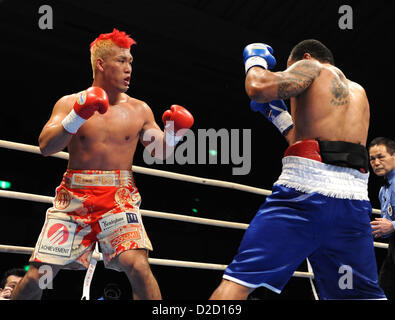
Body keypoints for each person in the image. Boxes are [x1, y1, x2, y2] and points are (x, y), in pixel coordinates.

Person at [11, 28, 194, 300]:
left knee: (138, 266)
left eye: (131, 61)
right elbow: (46, 147)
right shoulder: (70, 103)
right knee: (40, 275)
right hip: (75, 197)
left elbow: (161, 153)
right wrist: (77, 115)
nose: (129, 68)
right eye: (121, 61)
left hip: (119, 198)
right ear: (101, 64)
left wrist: (175, 133)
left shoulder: (140, 109)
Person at [210, 39, 385, 299]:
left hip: (303, 196)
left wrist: (254, 60)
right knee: (359, 296)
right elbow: (313, 142)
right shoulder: (359, 92)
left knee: (239, 280)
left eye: (288, 68)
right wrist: (277, 116)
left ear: (303, 57)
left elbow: (257, 86)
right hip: (353, 205)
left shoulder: (309, 67)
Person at [369, 137, 395, 299]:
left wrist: (392, 226)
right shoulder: (383, 191)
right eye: (372, 159)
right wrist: (374, 230)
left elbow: (391, 225)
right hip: (393, 247)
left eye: (381, 157)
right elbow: (386, 227)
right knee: (384, 291)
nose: (376, 162)